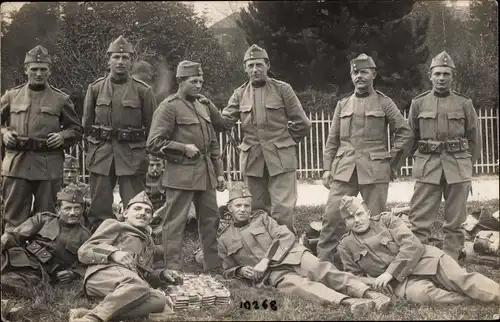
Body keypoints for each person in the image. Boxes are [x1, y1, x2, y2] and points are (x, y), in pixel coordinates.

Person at [218, 182, 391, 315]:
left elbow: (285, 235)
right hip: (272, 274)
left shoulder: (262, 219)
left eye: (246, 206)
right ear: (229, 208)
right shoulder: (224, 238)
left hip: (293, 255)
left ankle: (369, 294)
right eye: (238, 205)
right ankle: (349, 302)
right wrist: (240, 270)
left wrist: (265, 260)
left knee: (323, 270)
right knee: (301, 287)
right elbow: (227, 269)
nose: (242, 209)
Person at [317, 53, 413, 267]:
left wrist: (391, 163)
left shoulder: (384, 103)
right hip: (344, 169)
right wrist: (326, 169)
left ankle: (375, 265)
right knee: (332, 217)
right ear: (351, 76)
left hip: (375, 170)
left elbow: (405, 133)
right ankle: (323, 264)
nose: (359, 76)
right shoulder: (343, 104)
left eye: (364, 72)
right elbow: (332, 139)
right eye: (355, 72)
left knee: (375, 221)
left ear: (373, 74)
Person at [205, 44, 312, 233]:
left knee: (282, 208)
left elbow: (303, 123)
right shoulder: (239, 94)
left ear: (267, 65)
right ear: (245, 68)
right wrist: (208, 106)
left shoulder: (283, 90)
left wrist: (285, 143)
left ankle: (285, 249)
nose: (255, 70)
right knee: (255, 207)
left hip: (281, 160)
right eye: (250, 65)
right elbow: (224, 123)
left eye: (259, 65)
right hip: (253, 159)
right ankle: (260, 246)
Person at [337, 196, 500, 305]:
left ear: (368, 213)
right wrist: (373, 282)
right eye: (350, 218)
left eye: (359, 214)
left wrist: (389, 273)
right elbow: (354, 276)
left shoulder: (386, 220)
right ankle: (469, 299)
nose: (357, 220)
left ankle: (494, 295)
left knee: (460, 278)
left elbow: (412, 245)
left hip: (426, 260)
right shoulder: (345, 245)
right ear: (345, 222)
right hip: (400, 282)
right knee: (422, 295)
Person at [146, 60, 226, 272]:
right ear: (181, 81)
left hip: (206, 174)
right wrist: (182, 147)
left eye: (201, 81)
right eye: (194, 81)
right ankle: (173, 267)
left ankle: (212, 264)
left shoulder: (202, 104)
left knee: (211, 220)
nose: (199, 85)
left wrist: (219, 173)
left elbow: (213, 141)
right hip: (180, 174)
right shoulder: (168, 107)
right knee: (174, 223)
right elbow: (153, 143)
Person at [407, 51, 481, 261]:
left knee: (455, 220)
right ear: (430, 76)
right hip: (428, 167)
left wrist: (467, 166)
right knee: (419, 218)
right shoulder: (418, 103)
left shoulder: (464, 103)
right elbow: (411, 136)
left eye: (446, 74)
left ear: (452, 76)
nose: (441, 78)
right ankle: (417, 260)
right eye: (437, 74)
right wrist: (421, 159)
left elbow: (474, 138)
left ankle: (451, 260)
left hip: (457, 167)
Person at [0, 45, 83, 232]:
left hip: (48, 165)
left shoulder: (61, 99)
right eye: (34, 69)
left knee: (48, 218)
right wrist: (4, 133)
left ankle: (44, 259)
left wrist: (62, 136)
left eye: (43, 69)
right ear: (26, 70)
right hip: (17, 165)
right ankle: (12, 258)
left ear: (49, 71)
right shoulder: (11, 96)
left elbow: (76, 129)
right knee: (14, 217)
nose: (38, 73)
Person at [82, 35, 157, 232]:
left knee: (136, 204)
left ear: (132, 61)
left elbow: (153, 127)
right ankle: (99, 243)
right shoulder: (95, 88)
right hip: (102, 155)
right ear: (109, 60)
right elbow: (86, 124)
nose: (120, 62)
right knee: (99, 207)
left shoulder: (143, 91)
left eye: (125, 57)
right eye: (116, 57)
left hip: (131, 156)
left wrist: (146, 152)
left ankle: (137, 243)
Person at [71, 191, 181, 322]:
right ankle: (91, 319)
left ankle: (94, 311)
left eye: (147, 211)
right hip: (104, 276)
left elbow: (142, 273)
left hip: (128, 286)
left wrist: (162, 274)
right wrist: (113, 253)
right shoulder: (115, 225)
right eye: (137, 208)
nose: (142, 213)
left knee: (159, 300)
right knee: (137, 284)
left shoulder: (148, 243)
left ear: (151, 219)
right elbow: (84, 251)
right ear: (125, 213)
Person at [0, 185, 91, 297]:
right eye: (67, 208)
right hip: (21, 258)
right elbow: (15, 235)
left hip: (38, 274)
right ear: (58, 210)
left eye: (77, 208)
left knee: (6, 282)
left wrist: (74, 273)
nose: (73, 213)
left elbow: (88, 263)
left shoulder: (85, 236)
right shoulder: (43, 219)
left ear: (82, 210)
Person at [146, 155, 196, 239]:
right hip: (149, 210)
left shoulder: (169, 177)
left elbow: (174, 199)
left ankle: (155, 233)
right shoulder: (141, 179)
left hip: (165, 211)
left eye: (158, 165)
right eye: (151, 165)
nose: (154, 168)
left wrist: (158, 214)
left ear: (163, 165)